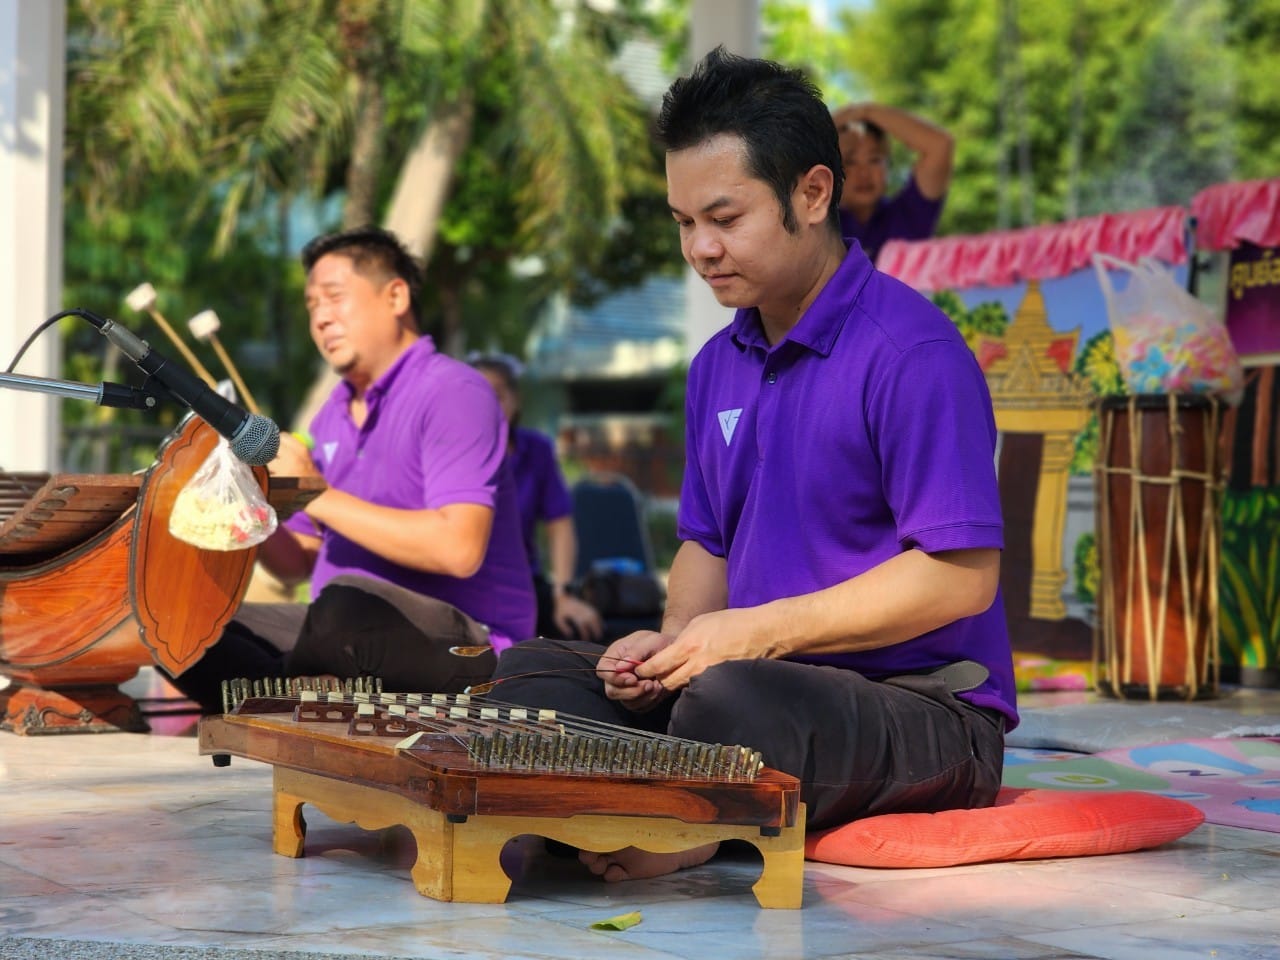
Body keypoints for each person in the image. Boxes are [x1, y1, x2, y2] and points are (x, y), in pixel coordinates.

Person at [488, 47, 1016, 883]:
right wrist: (669, 650)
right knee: (529, 673)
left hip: (924, 708)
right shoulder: (716, 366)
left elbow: (961, 579)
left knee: (730, 701)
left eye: (725, 218)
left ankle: (675, 816)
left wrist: (757, 633)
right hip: (755, 678)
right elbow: (708, 544)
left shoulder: (911, 352)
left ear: (813, 193)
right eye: (683, 222)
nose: (701, 248)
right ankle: (660, 803)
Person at [166, 227, 536, 712]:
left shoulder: (454, 391)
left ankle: (293, 695)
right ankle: (299, 697)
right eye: (311, 304)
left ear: (395, 296)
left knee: (345, 604)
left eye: (335, 297)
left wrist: (316, 493)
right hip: (342, 634)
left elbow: (458, 549)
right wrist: (246, 497)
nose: (321, 317)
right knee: (174, 624)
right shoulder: (331, 416)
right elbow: (298, 562)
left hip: (464, 642)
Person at [468, 352, 604, 643]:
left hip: (522, 582)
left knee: (578, 632)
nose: (486, 406)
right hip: (464, 583)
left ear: (515, 400)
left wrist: (563, 594)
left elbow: (560, 525)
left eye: (496, 396)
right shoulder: (450, 453)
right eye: (475, 397)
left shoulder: (536, 450)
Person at [830, 100, 954, 263]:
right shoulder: (818, 225)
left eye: (874, 160)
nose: (864, 173)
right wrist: (830, 126)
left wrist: (864, 111)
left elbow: (940, 145)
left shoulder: (909, 214)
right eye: (850, 162)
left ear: (888, 165)